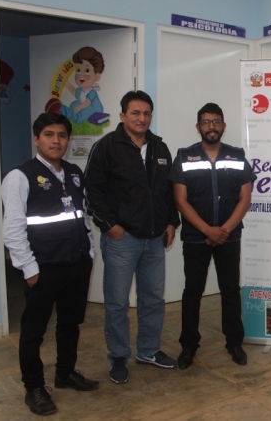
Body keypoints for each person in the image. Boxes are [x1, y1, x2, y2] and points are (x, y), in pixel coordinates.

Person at [2, 113, 99, 416]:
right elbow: (13, 230)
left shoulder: (73, 172)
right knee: (34, 331)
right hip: (43, 268)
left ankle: (65, 373)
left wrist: (89, 250)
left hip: (77, 263)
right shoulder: (20, 176)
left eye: (62, 135)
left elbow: (81, 214)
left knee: (70, 324)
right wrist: (29, 269)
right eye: (48, 135)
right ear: (36, 139)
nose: (56, 141)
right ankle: (34, 388)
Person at [84, 90, 180, 384]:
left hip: (155, 239)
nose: (141, 118)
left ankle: (148, 351)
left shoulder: (160, 147)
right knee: (117, 302)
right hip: (121, 240)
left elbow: (167, 191)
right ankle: (118, 356)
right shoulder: (106, 147)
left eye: (146, 113)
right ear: (123, 115)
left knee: (153, 299)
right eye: (135, 113)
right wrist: (110, 225)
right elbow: (92, 192)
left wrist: (171, 222)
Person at [169, 103, 256, 369]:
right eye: (206, 122)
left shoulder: (237, 156)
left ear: (223, 126)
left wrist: (223, 230)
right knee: (192, 292)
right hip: (196, 238)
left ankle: (234, 343)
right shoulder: (184, 156)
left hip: (229, 237)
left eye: (216, 121)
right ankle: (188, 346)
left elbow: (245, 198)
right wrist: (208, 230)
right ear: (198, 127)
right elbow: (180, 200)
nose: (211, 126)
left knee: (230, 290)